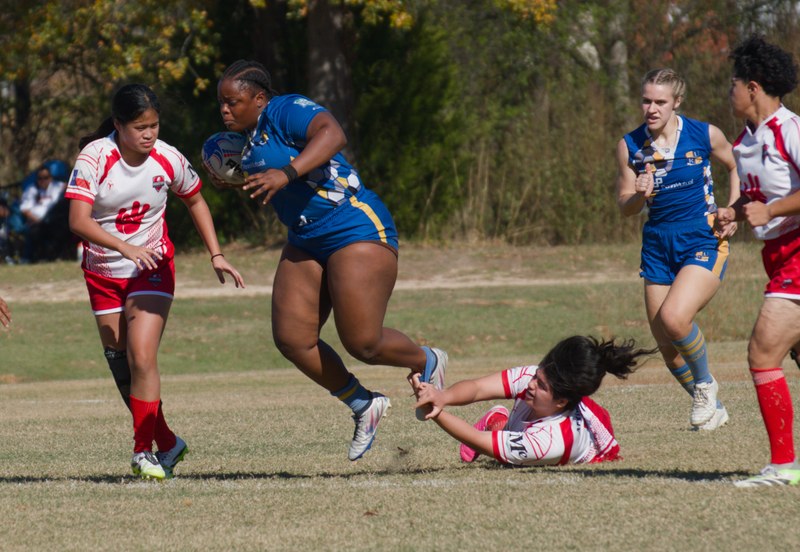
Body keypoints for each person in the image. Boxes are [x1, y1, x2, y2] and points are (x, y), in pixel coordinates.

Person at [213, 60, 447, 461]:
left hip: (353, 224)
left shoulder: (285, 108)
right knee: (292, 338)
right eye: (221, 103)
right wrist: (232, 177)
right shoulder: (246, 139)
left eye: (233, 102)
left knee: (363, 342)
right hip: (305, 237)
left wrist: (286, 172)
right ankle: (363, 404)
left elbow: (332, 134)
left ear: (259, 98)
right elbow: (264, 175)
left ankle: (427, 359)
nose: (224, 110)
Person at [66, 83, 245, 480]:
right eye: (140, 127)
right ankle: (167, 442)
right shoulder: (95, 157)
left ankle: (142, 451)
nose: (149, 135)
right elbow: (78, 221)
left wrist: (216, 253)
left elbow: (195, 199)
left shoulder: (168, 158)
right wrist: (121, 248)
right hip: (102, 272)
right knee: (122, 365)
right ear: (118, 125)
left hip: (153, 267)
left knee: (142, 355)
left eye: (154, 125)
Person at [615, 68, 740, 431]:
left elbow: (737, 166)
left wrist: (733, 210)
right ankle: (712, 406)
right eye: (646, 100)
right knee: (667, 347)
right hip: (657, 246)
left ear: (677, 103)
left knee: (674, 319)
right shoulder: (630, 145)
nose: (651, 108)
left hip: (702, 239)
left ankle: (704, 384)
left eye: (660, 101)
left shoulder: (704, 133)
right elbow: (625, 207)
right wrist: (639, 193)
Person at [717, 35, 800, 487]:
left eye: (733, 84)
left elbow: (775, 204)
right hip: (778, 257)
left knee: (763, 352)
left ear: (752, 87)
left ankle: (784, 468)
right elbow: (755, 198)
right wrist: (734, 213)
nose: (728, 93)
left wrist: (772, 210)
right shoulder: (744, 142)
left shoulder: (792, 130)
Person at [410, 336, 654, 466]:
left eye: (541, 385)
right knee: (512, 431)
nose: (530, 384)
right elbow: (477, 387)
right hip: (545, 418)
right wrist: (443, 396)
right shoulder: (537, 378)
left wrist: (435, 411)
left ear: (561, 402)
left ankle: (498, 420)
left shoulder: (551, 442)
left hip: (560, 435)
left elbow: (479, 442)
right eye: (537, 375)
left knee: (505, 460)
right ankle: (501, 420)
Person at [8, 165, 66, 263]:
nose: (43, 180)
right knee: (35, 232)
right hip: (36, 222)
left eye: (46, 177)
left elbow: (68, 186)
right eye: (40, 178)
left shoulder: (57, 186)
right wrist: (38, 220)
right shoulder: (31, 189)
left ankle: (59, 256)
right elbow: (25, 209)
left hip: (55, 220)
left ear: (50, 178)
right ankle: (37, 258)